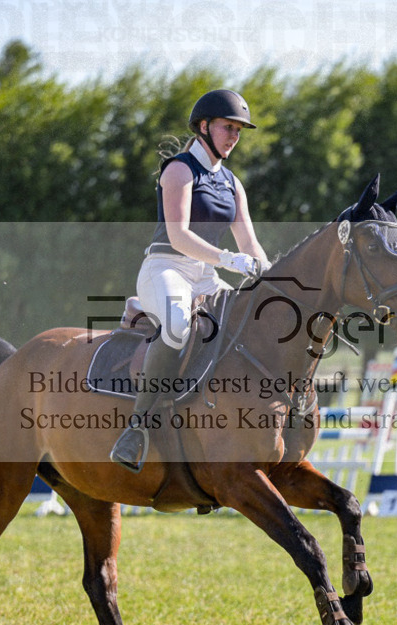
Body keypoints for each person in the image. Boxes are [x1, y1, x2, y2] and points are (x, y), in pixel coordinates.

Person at [109, 89, 270, 472]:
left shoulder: (232, 184)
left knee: (250, 321)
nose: (234, 137)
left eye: (239, 131)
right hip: (165, 268)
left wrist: (274, 276)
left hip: (205, 276)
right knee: (178, 325)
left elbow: (250, 243)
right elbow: (178, 235)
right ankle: (137, 427)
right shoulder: (179, 170)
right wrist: (229, 259)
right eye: (228, 128)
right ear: (204, 126)